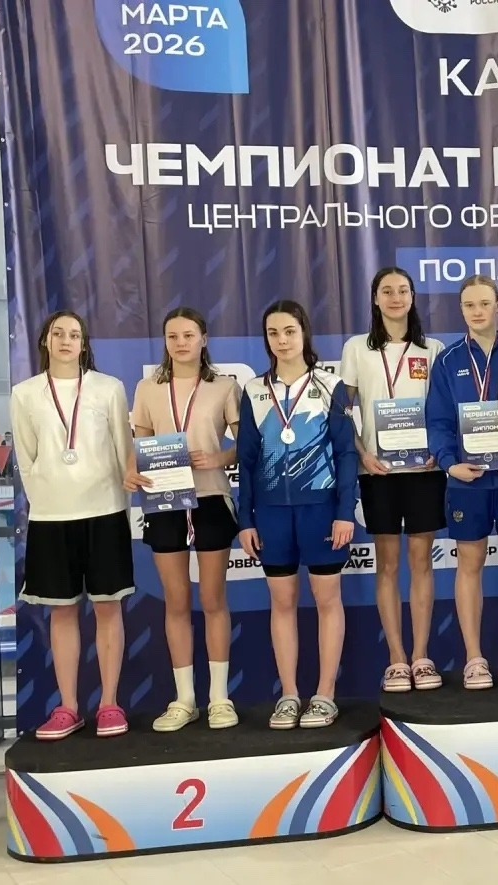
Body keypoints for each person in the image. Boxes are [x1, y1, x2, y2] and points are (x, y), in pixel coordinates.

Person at [11, 311, 134, 739]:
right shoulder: (25, 393)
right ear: (45, 341)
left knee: (107, 607)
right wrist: (48, 498)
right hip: (52, 518)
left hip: (105, 512)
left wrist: (127, 484)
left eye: (74, 335)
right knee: (62, 612)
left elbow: (124, 450)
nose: (66, 340)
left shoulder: (108, 388)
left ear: (84, 344)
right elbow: (26, 458)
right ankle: (68, 707)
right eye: (58, 333)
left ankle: (109, 704)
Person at [238, 301, 357, 728]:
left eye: (289, 331)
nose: (282, 340)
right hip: (271, 514)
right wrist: (246, 519)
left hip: (321, 511)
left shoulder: (331, 385)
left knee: (327, 600)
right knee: (282, 602)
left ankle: (325, 694)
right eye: (273, 333)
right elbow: (246, 459)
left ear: (303, 332)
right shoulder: (254, 390)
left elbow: (346, 454)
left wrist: (345, 512)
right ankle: (289, 694)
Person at [126, 308, 242, 731]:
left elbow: (244, 444)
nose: (180, 343)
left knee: (212, 600)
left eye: (188, 335)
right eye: (172, 336)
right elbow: (138, 444)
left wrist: (219, 458)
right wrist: (131, 471)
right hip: (165, 501)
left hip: (210, 497)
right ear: (165, 341)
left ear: (203, 339)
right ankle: (185, 699)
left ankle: (219, 698)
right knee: (176, 601)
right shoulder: (147, 388)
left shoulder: (224, 386)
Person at [425, 275, 498, 689]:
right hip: (467, 480)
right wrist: (449, 463)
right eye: (469, 305)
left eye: (484, 303)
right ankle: (474, 658)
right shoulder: (447, 360)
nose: (477, 311)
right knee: (468, 565)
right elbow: (437, 420)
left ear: (497, 305)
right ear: (461, 309)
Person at [340, 268, 446, 693]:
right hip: (377, 472)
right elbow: (342, 411)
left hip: (424, 471)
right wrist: (362, 453)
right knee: (387, 565)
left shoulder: (432, 349)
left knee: (421, 563)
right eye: (387, 291)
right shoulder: (357, 348)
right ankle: (396, 659)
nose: (396, 297)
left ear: (413, 297)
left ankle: (421, 655)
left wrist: (439, 448)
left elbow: (442, 409)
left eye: (403, 290)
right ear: (375, 298)